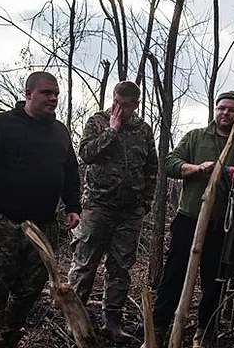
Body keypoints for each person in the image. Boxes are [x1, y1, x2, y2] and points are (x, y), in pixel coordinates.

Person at [0, 71, 81, 348]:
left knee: (31, 288)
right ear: (28, 94)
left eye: (56, 93)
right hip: (5, 222)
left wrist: (73, 206)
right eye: (46, 92)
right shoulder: (1, 125)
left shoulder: (60, 132)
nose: (53, 98)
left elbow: (70, 172)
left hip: (44, 225)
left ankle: (8, 332)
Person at [141, 90, 234, 348]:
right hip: (189, 219)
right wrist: (196, 169)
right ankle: (161, 329)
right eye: (221, 108)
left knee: (214, 282)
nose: (225, 113)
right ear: (215, 110)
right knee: (173, 275)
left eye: (231, 109)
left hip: (223, 225)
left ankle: (205, 334)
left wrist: (233, 174)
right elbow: (171, 162)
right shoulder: (197, 137)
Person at [67, 81, 158, 342]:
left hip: (130, 212)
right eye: (116, 102)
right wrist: (112, 131)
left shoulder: (144, 130)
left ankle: (112, 324)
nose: (119, 108)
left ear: (136, 105)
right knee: (85, 265)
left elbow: (151, 168)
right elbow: (86, 154)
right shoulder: (98, 121)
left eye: (126, 105)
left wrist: (145, 203)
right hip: (98, 206)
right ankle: (74, 321)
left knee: (121, 268)